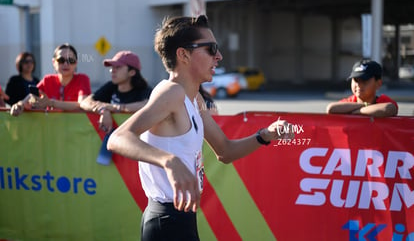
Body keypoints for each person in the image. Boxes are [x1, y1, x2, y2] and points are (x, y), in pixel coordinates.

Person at [107, 15, 294, 241]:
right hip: (166, 220)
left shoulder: (195, 99)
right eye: (211, 49)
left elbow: (225, 151)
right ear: (183, 54)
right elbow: (118, 138)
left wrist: (264, 135)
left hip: (181, 218)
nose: (219, 56)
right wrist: (169, 161)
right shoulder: (171, 92)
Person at [80, 50, 152, 134]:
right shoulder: (111, 86)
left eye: (118, 67)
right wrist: (103, 110)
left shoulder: (144, 89)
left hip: (137, 136)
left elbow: (149, 105)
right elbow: (84, 102)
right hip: (114, 136)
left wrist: (116, 108)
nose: (112, 71)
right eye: (112, 67)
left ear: (132, 72)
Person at [10, 43, 91, 116]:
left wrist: (51, 103)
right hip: (51, 131)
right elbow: (31, 98)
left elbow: (82, 104)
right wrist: (20, 105)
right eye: (61, 60)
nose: (66, 64)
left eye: (71, 60)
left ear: (76, 63)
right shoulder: (47, 80)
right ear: (53, 62)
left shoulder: (82, 79)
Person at [326, 59, 398, 117]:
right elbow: (331, 108)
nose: (359, 85)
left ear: (378, 84)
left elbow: (388, 109)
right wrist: (365, 105)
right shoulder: (350, 101)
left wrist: (355, 112)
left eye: (364, 80)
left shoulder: (383, 101)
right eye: (356, 80)